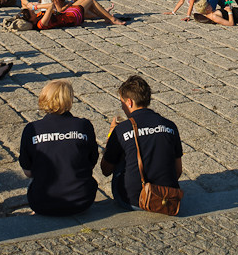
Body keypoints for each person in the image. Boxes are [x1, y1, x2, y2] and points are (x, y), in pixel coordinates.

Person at [99, 75, 182, 211]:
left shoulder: (122, 129)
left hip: (133, 199)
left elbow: (106, 170)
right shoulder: (170, 126)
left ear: (130, 102)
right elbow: (178, 170)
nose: (122, 106)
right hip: (166, 196)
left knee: (122, 152)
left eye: (122, 102)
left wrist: (111, 135)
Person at [19, 80, 98, 217]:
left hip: (41, 204)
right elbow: (91, 162)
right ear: (69, 100)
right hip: (82, 201)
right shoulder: (83, 126)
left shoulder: (32, 129)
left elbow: (27, 171)